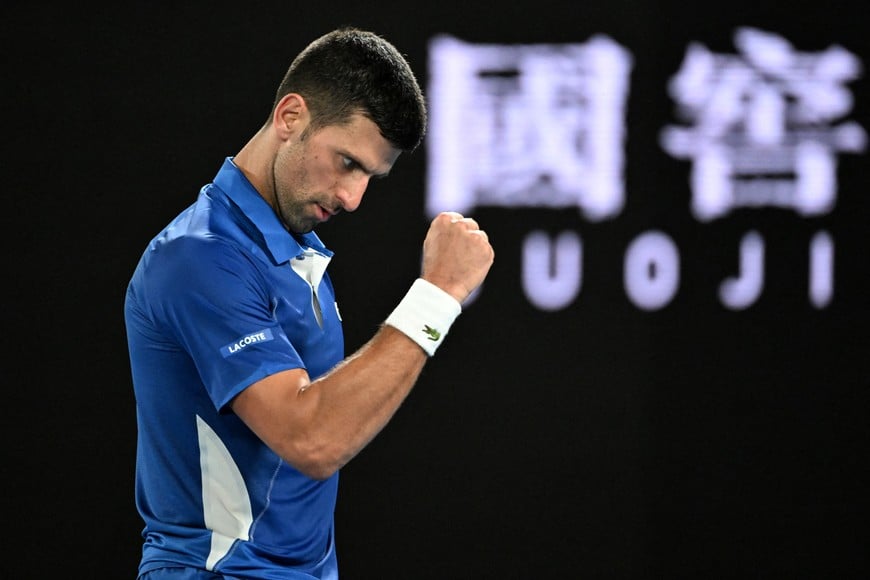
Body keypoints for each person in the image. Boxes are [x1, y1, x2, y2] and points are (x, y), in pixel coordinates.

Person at [124, 27, 494, 579]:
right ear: (290, 117)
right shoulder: (199, 259)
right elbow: (312, 438)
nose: (353, 197)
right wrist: (436, 297)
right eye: (347, 162)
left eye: (371, 176)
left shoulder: (295, 249)